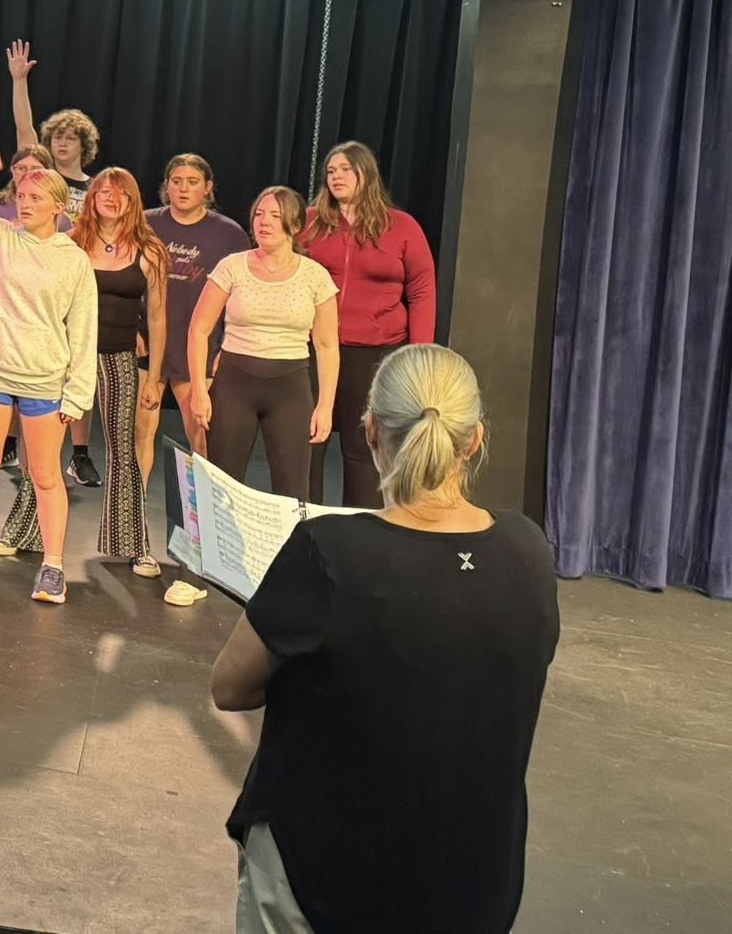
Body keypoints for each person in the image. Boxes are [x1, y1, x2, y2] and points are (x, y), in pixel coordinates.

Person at [212, 344, 558, 934]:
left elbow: (230, 688)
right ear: (473, 441)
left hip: (324, 878)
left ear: (370, 431)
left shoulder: (329, 554)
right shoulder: (529, 552)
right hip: (471, 886)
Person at [0, 149, 97, 602]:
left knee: (46, 475)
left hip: (45, 382)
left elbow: (84, 332)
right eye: (21, 195)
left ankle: (52, 566)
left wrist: (76, 395)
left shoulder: (73, 260)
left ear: (58, 207)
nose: (24, 204)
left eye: (35, 197)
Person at [300, 141, 438, 508]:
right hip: (316, 349)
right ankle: (304, 527)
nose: (336, 177)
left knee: (362, 447)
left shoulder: (402, 226)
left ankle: (358, 529)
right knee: (308, 439)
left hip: (375, 352)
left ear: (366, 174)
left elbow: (422, 289)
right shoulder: (310, 222)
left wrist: (418, 354)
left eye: (345, 169)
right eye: (331, 171)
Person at [186, 187, 338, 501]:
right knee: (221, 486)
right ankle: (218, 550)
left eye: (275, 216)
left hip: (290, 388)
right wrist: (199, 390)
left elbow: (326, 346)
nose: (264, 222)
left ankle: (290, 551)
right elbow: (199, 329)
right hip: (234, 384)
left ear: (295, 226)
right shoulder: (232, 266)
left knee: (294, 491)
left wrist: (325, 406)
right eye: (259, 214)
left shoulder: (315, 276)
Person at [6, 41, 103, 486]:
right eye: (56, 137)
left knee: (73, 367)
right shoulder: (41, 178)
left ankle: (78, 452)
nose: (61, 143)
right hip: (33, 284)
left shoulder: (97, 186)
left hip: (75, 282)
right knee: (21, 365)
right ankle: (13, 439)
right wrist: (20, 81)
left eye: (70, 138)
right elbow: (25, 129)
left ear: (84, 145)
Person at [69, 168, 168, 575]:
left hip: (120, 356)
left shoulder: (150, 249)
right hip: (70, 357)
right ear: (91, 198)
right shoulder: (72, 242)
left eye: (119, 193)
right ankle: (26, 532)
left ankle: (134, 543)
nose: (110, 198)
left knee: (123, 450)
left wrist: (155, 374)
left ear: (132, 200)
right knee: (39, 450)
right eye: (103, 192)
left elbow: (159, 319)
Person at [142, 154, 250, 457]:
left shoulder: (229, 234)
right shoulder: (145, 223)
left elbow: (241, 296)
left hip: (197, 347)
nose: (183, 189)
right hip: (148, 346)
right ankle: (136, 503)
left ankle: (205, 504)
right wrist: (134, 332)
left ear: (208, 187)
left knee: (201, 435)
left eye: (192, 182)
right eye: (176, 182)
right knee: (139, 433)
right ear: (166, 186)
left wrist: (225, 348)